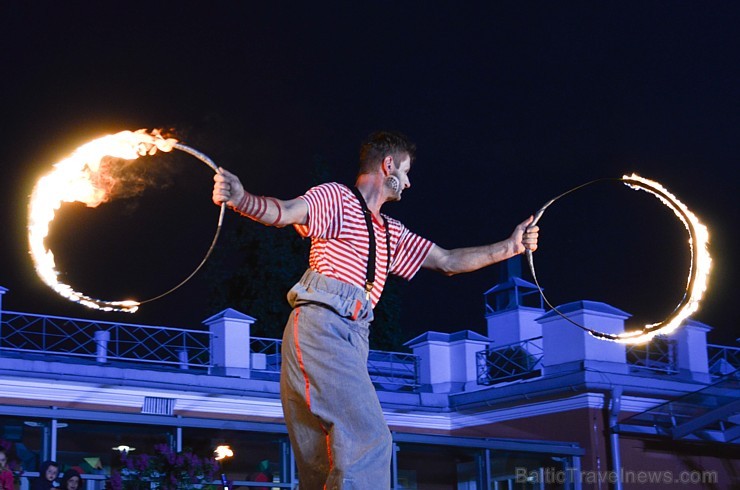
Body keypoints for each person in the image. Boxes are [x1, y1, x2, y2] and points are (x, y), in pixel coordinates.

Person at [212, 131, 539, 490]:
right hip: (324, 320)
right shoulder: (336, 198)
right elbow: (286, 212)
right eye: (407, 171)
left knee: (325, 457)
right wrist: (241, 199)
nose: (409, 183)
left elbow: (447, 260)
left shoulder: (390, 232)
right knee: (369, 438)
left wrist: (508, 247)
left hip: (353, 332)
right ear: (389, 166)